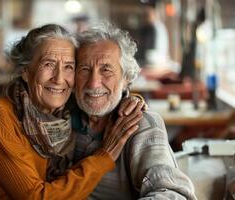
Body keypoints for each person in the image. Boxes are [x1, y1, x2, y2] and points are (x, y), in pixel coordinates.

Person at [0, 24, 144, 199]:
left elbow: (98, 94)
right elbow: (37, 197)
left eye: (68, 67)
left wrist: (130, 101)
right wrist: (105, 156)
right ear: (26, 71)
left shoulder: (64, 110)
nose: (59, 79)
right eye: (48, 64)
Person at [72, 22, 197, 199]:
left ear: (126, 79)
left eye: (106, 70)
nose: (93, 83)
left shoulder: (140, 124)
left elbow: (171, 193)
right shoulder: (60, 116)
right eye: (84, 69)